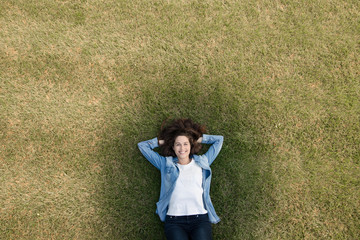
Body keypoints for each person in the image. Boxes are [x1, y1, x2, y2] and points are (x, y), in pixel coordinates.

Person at [137, 118, 224, 240]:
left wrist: (197, 139)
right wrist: (164, 142)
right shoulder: (165, 164)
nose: (182, 148)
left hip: (200, 219)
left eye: (185, 144)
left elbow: (219, 140)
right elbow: (143, 146)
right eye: (177, 144)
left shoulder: (203, 161)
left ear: (191, 145)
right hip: (174, 221)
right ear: (173, 147)